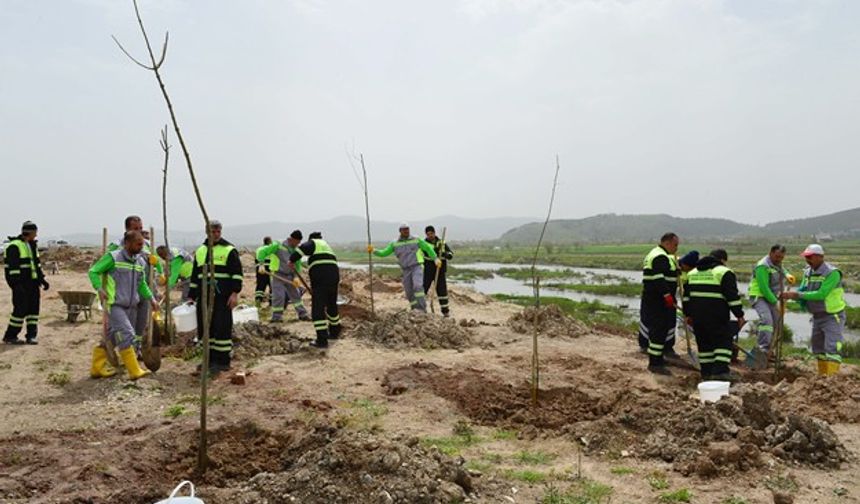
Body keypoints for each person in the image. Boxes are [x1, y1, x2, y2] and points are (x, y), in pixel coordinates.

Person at [87, 230, 158, 379]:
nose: (141, 247)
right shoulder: (113, 258)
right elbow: (93, 271)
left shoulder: (139, 261)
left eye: (142, 244)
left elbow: (142, 284)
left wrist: (151, 298)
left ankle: (96, 367)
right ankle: (134, 370)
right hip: (114, 304)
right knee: (127, 334)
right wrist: (99, 288)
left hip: (131, 305)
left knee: (112, 336)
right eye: (138, 244)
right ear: (127, 243)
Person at [187, 221, 243, 375]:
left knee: (222, 327)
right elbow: (195, 276)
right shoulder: (200, 251)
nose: (216, 234)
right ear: (207, 232)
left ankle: (222, 361)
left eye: (218, 231)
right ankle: (209, 360)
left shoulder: (229, 250)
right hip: (204, 297)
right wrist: (191, 295)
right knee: (206, 328)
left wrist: (234, 293)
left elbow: (237, 274)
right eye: (213, 231)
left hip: (222, 297)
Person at [782, 244, 846, 376]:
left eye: (810, 257)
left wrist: (797, 295)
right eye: (806, 257)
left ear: (820, 257)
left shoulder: (832, 273)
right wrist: (790, 296)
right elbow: (804, 290)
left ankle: (832, 381)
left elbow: (821, 294)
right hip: (817, 316)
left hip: (832, 315)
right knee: (819, 349)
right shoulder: (808, 272)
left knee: (832, 348)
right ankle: (823, 378)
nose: (807, 260)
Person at [683, 249, 745, 381]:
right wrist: (739, 315)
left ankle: (706, 373)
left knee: (704, 345)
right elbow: (732, 297)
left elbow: (686, 298)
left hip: (697, 317)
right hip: (717, 316)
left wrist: (687, 315)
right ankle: (720, 372)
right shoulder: (724, 272)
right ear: (722, 260)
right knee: (723, 343)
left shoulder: (692, 273)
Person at [108, 215, 160, 353]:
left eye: (141, 228)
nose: (139, 231)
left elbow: (156, 263)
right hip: (125, 291)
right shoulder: (117, 245)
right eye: (135, 228)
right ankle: (123, 350)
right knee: (127, 324)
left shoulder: (147, 244)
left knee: (141, 323)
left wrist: (155, 263)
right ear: (127, 229)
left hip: (144, 287)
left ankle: (137, 350)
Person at [369, 223, 439, 312]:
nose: (406, 231)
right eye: (404, 229)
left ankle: (422, 309)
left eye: (407, 229)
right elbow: (384, 253)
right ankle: (414, 309)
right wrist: (373, 251)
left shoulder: (416, 239)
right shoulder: (395, 243)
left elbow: (428, 248)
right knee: (409, 291)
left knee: (417, 287)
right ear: (400, 231)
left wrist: (435, 258)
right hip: (406, 270)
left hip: (416, 267)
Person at [288, 232, 340, 348]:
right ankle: (335, 332)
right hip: (334, 276)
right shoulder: (326, 246)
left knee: (318, 308)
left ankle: (322, 340)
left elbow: (302, 249)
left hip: (321, 277)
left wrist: (291, 260)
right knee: (331, 304)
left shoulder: (314, 242)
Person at [639, 232, 680, 374]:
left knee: (661, 329)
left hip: (656, 298)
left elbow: (665, 274)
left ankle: (659, 358)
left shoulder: (660, 255)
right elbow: (658, 278)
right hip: (658, 299)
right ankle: (655, 363)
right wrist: (667, 295)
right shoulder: (659, 256)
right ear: (667, 243)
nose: (676, 248)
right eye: (675, 245)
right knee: (658, 329)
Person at [3, 221, 48, 345]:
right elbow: (12, 269)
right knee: (20, 310)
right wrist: (16, 286)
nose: (36, 235)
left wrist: (42, 279)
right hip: (21, 285)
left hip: (33, 284)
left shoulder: (32, 245)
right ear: (30, 232)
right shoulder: (14, 246)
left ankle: (31, 336)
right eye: (35, 232)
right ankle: (10, 336)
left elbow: (36, 265)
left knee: (33, 311)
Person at [748, 245, 796, 357]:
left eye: (782, 258)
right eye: (777, 256)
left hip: (772, 296)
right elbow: (764, 288)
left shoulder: (776, 263)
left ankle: (770, 350)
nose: (779, 259)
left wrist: (787, 275)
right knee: (767, 321)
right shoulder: (762, 266)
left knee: (776, 322)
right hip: (759, 296)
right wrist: (776, 303)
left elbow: (781, 269)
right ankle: (762, 349)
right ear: (770, 253)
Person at [257, 230, 311, 322]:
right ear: (291, 239)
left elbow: (297, 264)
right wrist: (261, 264)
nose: (297, 244)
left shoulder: (296, 249)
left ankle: (303, 314)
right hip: (277, 275)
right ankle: (276, 318)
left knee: (296, 296)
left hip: (290, 275)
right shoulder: (278, 245)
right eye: (297, 242)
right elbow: (262, 251)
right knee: (279, 296)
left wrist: (296, 277)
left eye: (299, 243)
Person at [422, 225, 454, 317]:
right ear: (426, 235)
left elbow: (451, 254)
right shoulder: (424, 244)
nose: (430, 235)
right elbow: (425, 254)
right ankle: (420, 309)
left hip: (440, 271)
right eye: (428, 234)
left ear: (434, 233)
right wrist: (435, 253)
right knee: (423, 289)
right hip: (428, 271)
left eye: (431, 233)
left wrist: (444, 254)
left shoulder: (442, 242)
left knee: (442, 291)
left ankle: (445, 311)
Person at [254, 236, 273, 307]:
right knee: (272, 285)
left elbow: (256, 259)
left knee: (260, 284)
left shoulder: (259, 249)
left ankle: (258, 300)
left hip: (259, 268)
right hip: (269, 268)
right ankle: (272, 302)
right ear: (269, 242)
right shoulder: (270, 249)